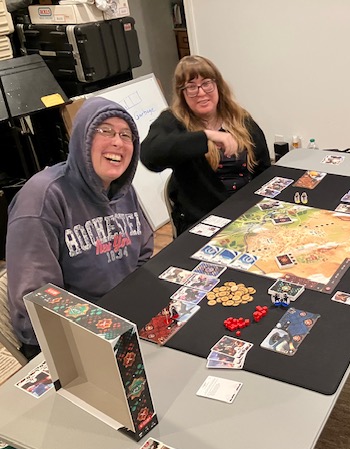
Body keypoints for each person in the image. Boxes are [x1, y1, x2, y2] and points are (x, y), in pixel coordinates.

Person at [7, 97, 154, 361]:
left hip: (120, 319)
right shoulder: (42, 198)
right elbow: (38, 302)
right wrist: (110, 329)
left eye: (126, 135)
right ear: (82, 139)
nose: (117, 142)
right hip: (62, 342)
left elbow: (143, 253)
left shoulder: (123, 190)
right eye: (105, 131)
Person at [141, 55, 271, 235]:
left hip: (247, 213)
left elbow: (263, 170)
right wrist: (206, 137)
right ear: (182, 93)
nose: (201, 93)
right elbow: (150, 155)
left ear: (217, 85)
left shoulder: (240, 119)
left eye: (206, 83)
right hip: (204, 221)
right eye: (191, 87)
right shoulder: (173, 121)